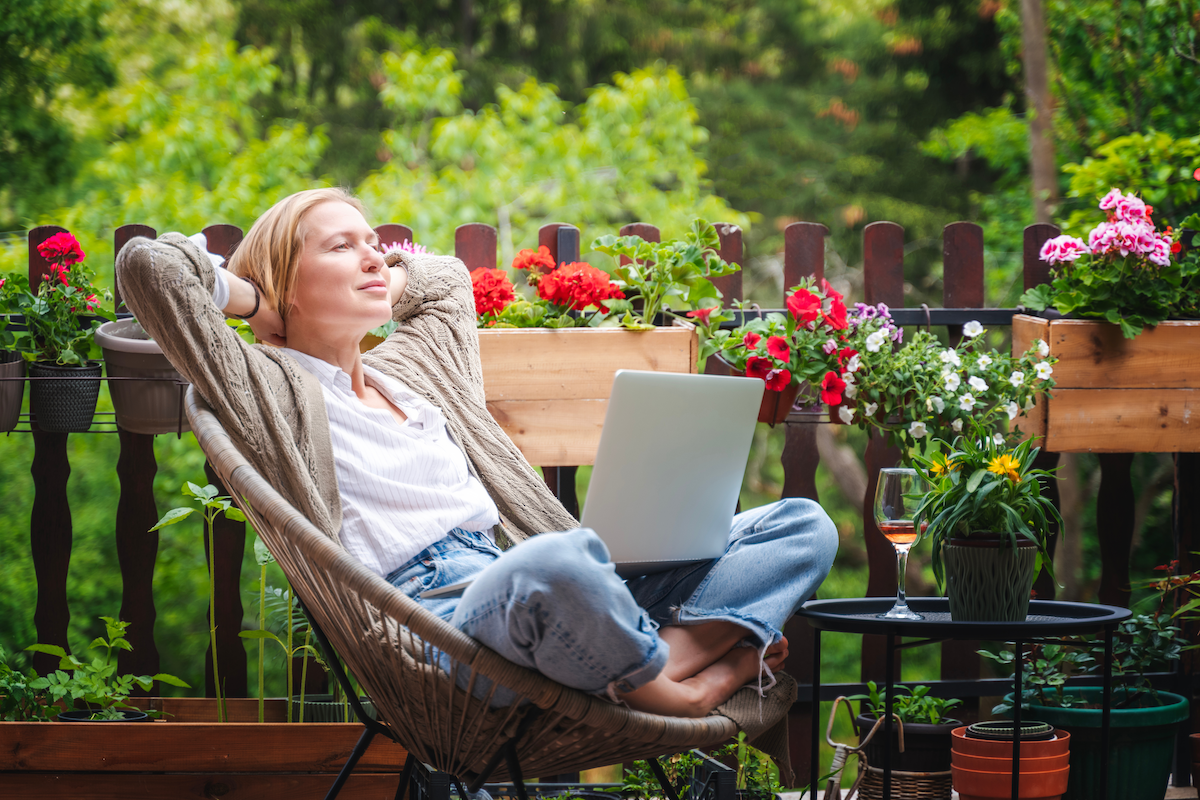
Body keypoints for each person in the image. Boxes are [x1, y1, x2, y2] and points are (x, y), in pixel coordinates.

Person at [117, 187, 838, 719]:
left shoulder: (417, 368)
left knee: (800, 524)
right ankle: (696, 683)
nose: (373, 257)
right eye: (340, 247)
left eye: (374, 244)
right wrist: (263, 306)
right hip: (442, 624)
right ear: (282, 281)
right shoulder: (268, 385)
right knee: (555, 562)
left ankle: (656, 662)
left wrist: (344, 277)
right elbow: (149, 269)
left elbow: (444, 282)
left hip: (527, 583)